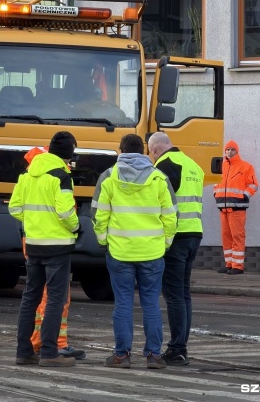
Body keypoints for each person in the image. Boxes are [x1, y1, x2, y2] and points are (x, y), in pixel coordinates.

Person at [93, 133, 177, 369]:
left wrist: (103, 242)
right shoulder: (159, 178)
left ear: (120, 151)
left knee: (123, 304)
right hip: (152, 253)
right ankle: (154, 356)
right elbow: (171, 217)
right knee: (151, 303)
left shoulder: (108, 178)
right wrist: (165, 244)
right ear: (143, 151)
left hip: (120, 253)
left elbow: (99, 216)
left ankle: (122, 355)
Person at [8, 131, 80, 367]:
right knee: (55, 299)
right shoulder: (61, 176)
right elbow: (66, 211)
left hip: (34, 244)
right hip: (57, 246)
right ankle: (49, 353)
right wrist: (76, 227)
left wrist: (33, 224)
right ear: (69, 154)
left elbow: (15, 208)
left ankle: (24, 351)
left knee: (30, 297)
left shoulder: (28, 174)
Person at [148, 131, 204, 366]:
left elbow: (161, 201)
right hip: (194, 233)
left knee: (173, 296)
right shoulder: (193, 165)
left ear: (154, 149)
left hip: (176, 236)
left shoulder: (165, 165)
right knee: (183, 294)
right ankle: (181, 346)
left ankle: (178, 348)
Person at [212, 140, 258, 275]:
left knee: (237, 236)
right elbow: (216, 183)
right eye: (227, 150)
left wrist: (245, 195)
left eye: (232, 149)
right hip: (223, 207)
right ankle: (229, 264)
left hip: (237, 207)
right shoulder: (222, 166)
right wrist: (216, 193)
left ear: (237, 151)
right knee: (226, 236)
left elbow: (253, 184)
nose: (229, 152)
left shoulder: (246, 167)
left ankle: (237, 266)